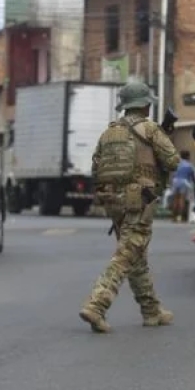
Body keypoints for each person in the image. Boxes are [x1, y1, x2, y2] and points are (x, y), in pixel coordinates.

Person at [79, 82, 180, 333]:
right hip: (139, 200)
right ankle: (97, 305)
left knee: (136, 254)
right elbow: (173, 161)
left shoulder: (109, 133)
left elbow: (96, 169)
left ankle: (151, 310)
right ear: (145, 104)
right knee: (127, 253)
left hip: (112, 201)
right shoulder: (150, 129)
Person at [170, 150, 195, 222]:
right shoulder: (189, 165)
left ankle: (174, 217)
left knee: (175, 200)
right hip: (184, 182)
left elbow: (173, 174)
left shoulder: (177, 163)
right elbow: (193, 177)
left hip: (175, 181)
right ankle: (180, 217)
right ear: (188, 156)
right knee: (181, 200)